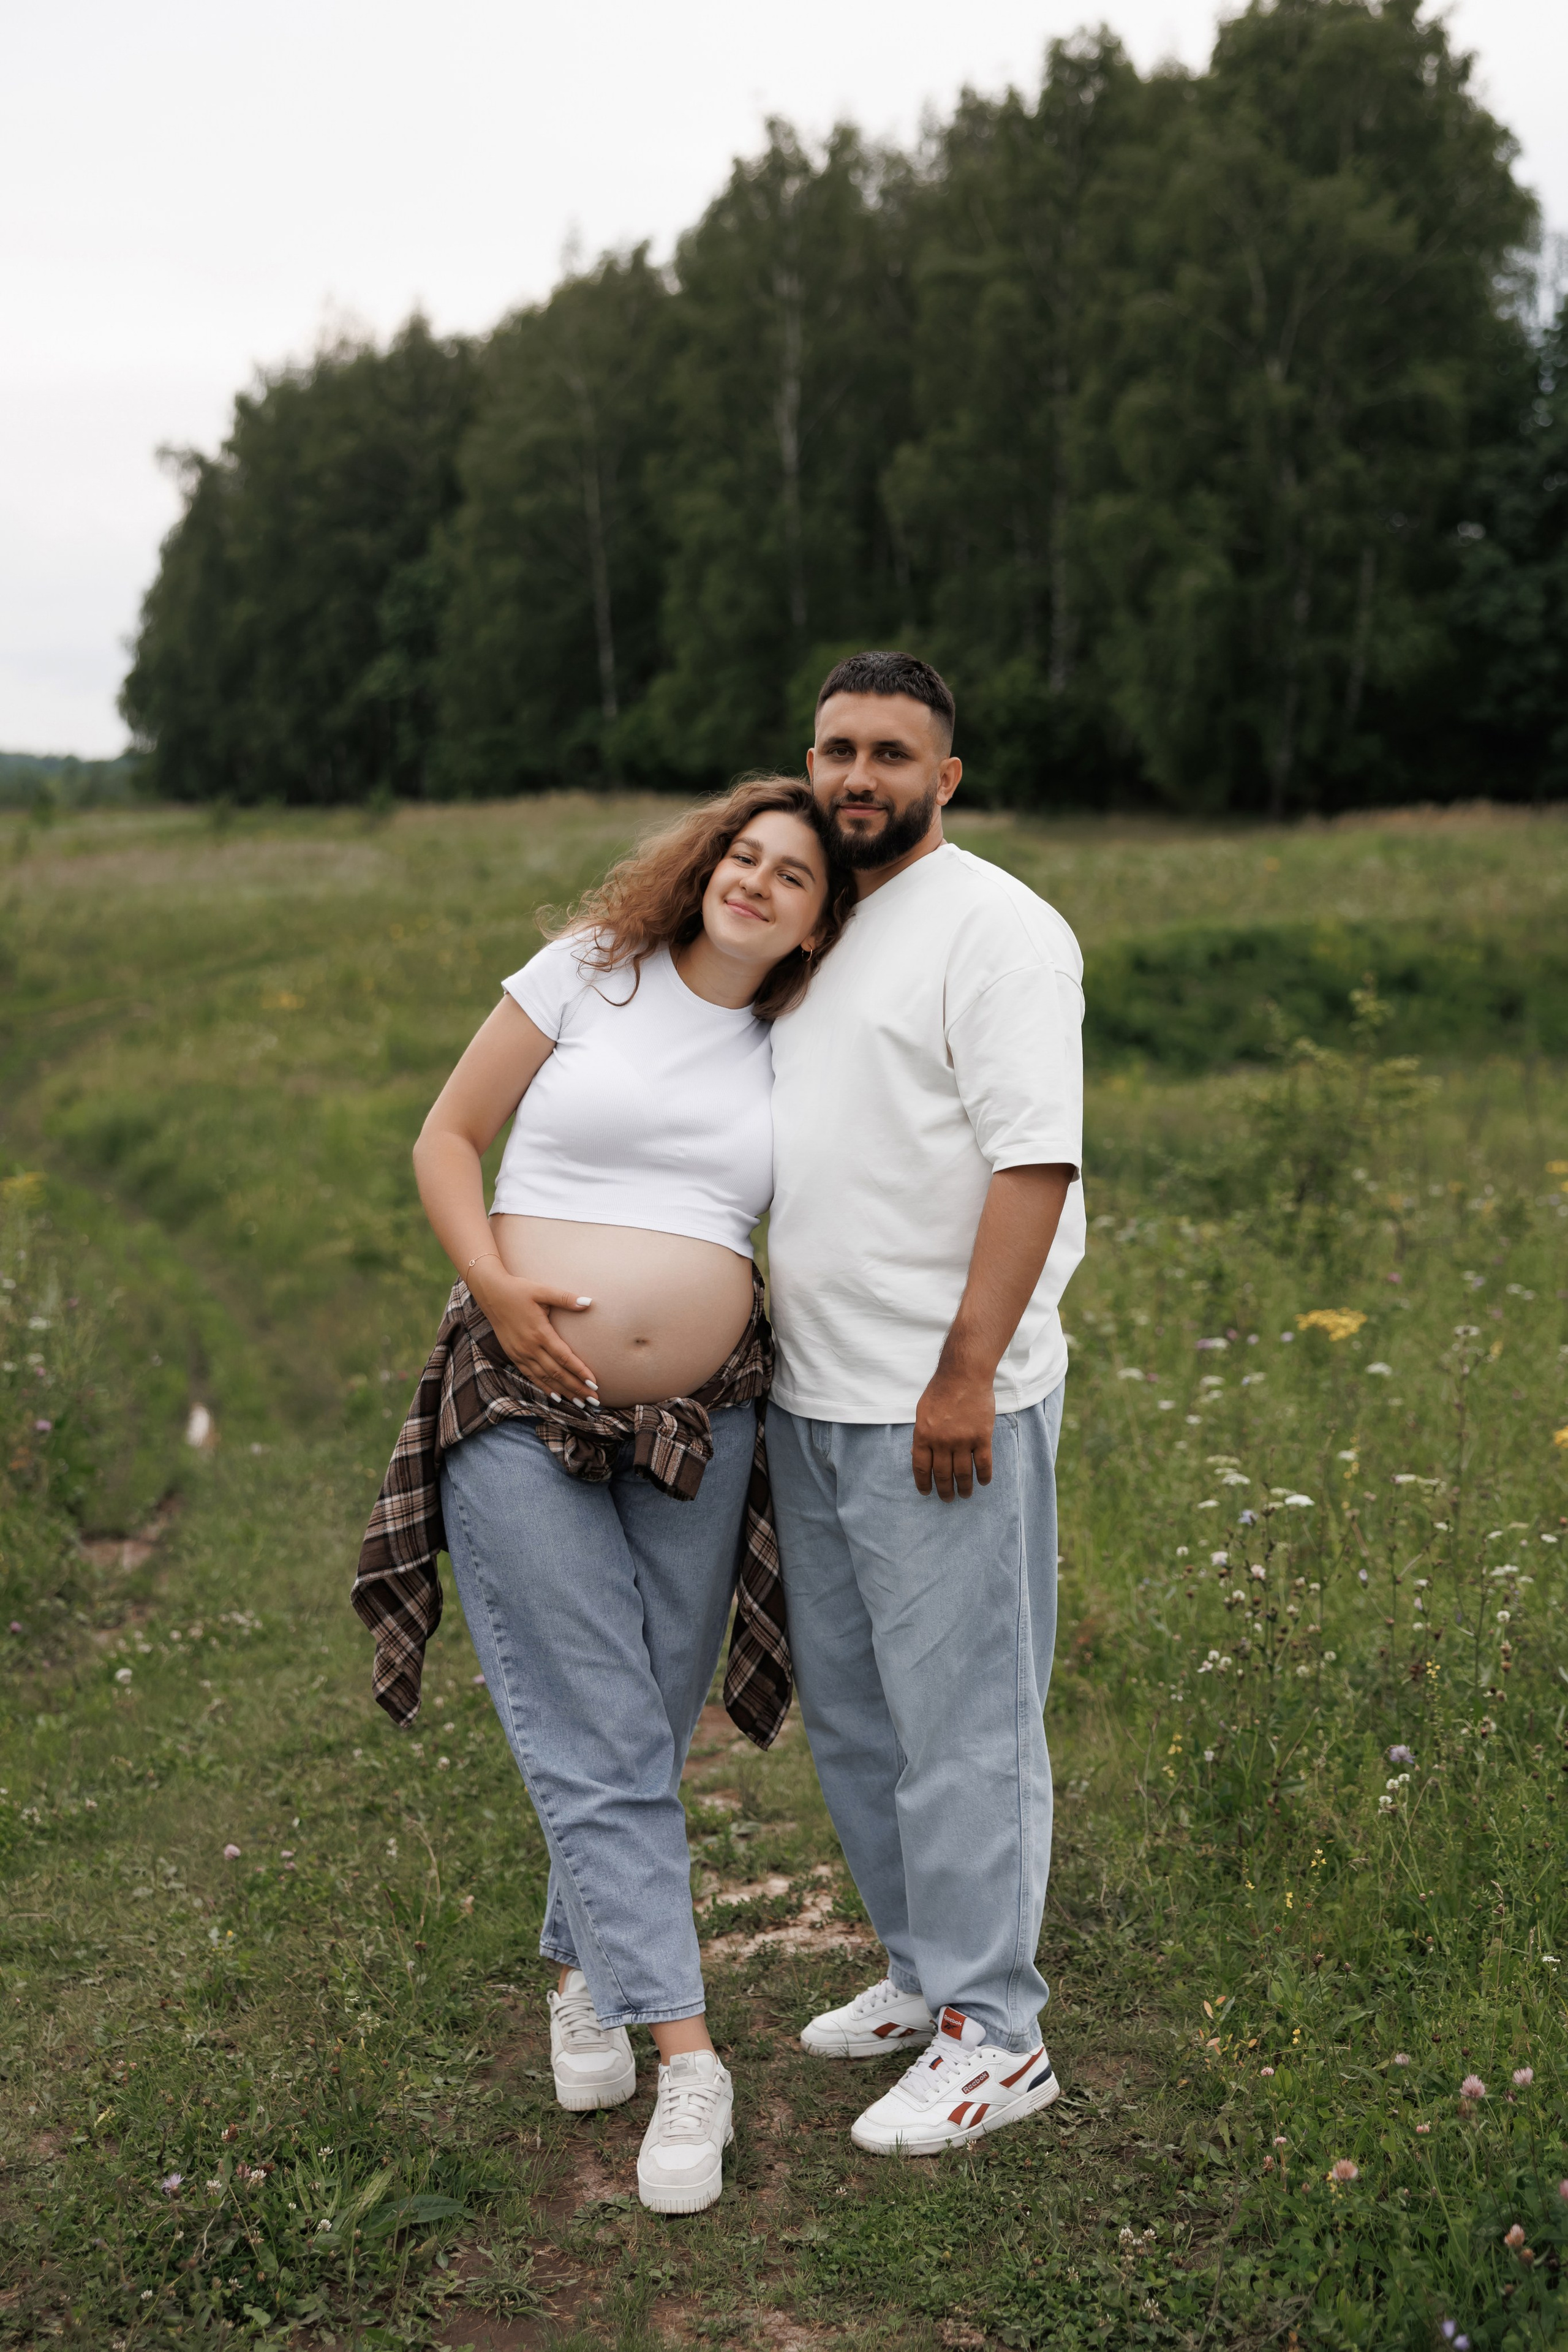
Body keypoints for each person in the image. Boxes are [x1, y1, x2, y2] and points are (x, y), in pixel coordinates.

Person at [352, 777, 852, 2215]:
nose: (756, 883)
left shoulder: (795, 1038)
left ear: (821, 920)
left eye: (793, 876)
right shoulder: (588, 973)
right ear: (703, 863)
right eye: (741, 855)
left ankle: (583, 1969)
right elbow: (448, 1137)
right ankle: (692, 2057)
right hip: (517, 1396)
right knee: (591, 1720)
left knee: (644, 1717)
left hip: (705, 1420)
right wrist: (499, 1293)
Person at [766, 650, 1085, 2155]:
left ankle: (994, 2036)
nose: (856, 777)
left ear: (943, 778)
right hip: (812, 1398)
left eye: (891, 753)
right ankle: (916, 1976)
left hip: (941, 1405)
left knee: (962, 1726)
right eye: (836, 748)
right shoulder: (824, 930)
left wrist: (964, 1375)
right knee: (858, 1716)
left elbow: (1033, 1165)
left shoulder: (997, 930)